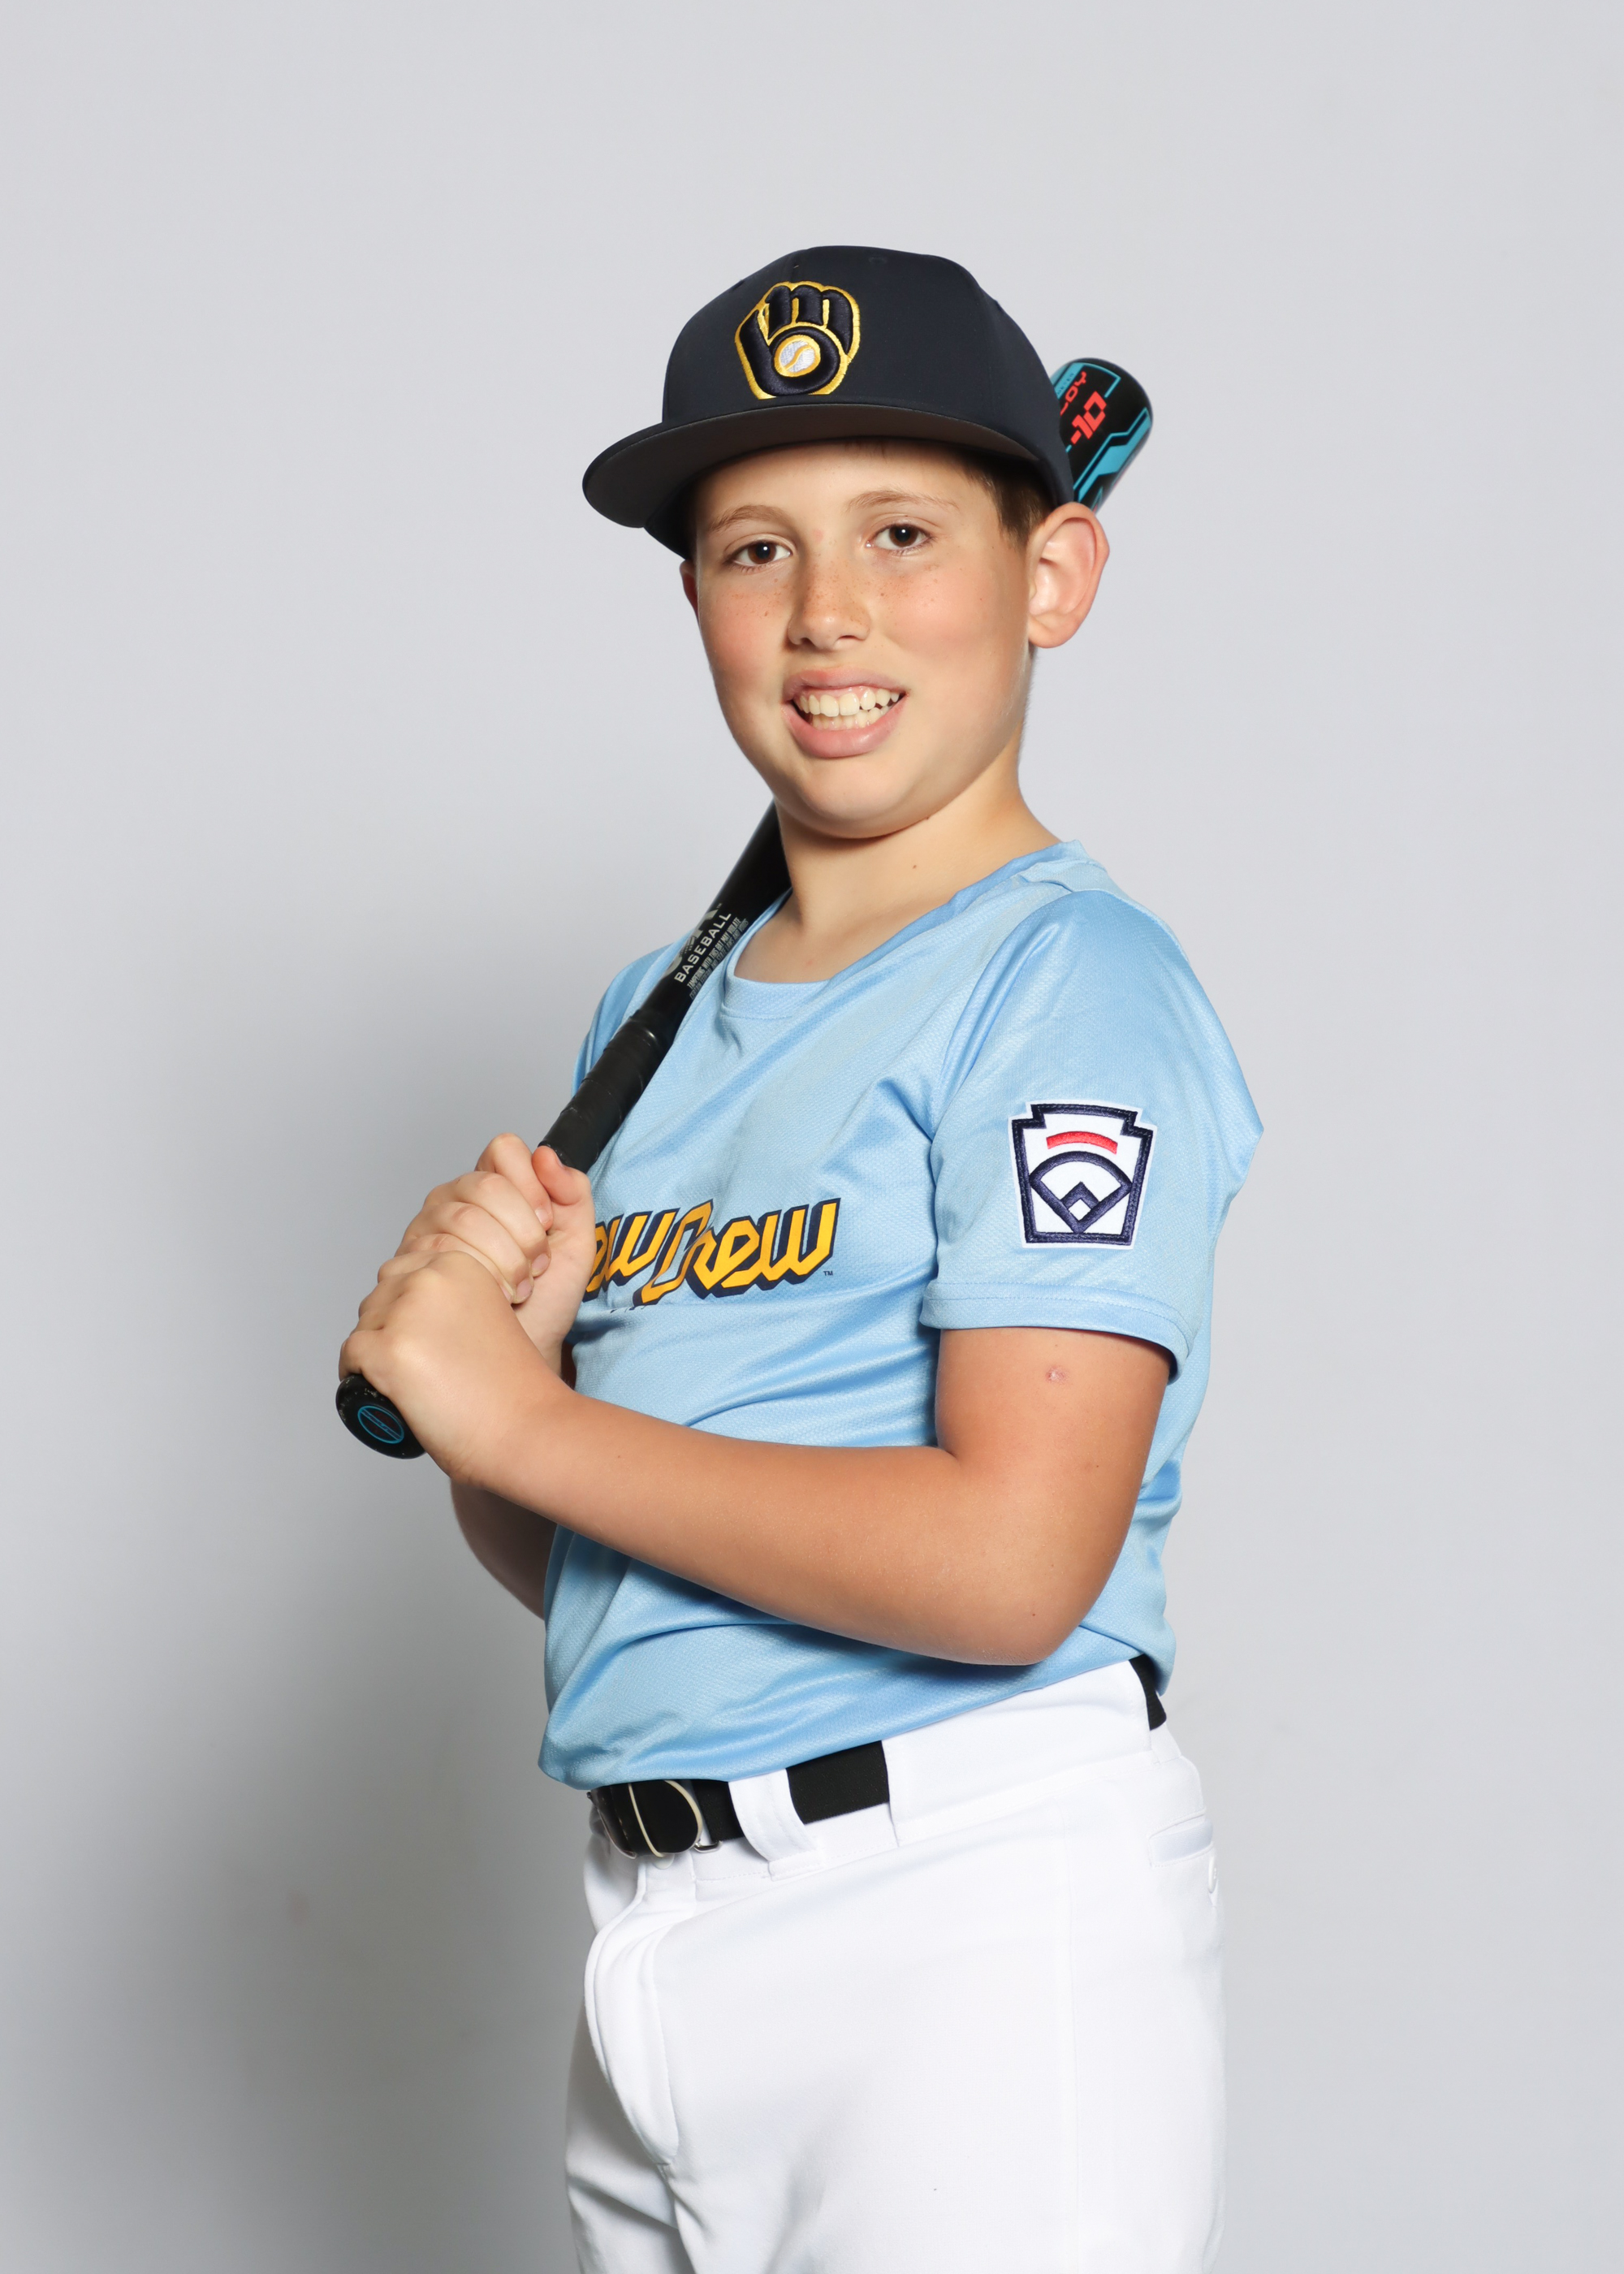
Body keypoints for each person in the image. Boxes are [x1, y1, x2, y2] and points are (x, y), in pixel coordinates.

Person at [339, 246, 1260, 2272]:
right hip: (657, 1924)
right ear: (695, 599)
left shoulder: (1068, 984)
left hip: (961, 1917)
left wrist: (524, 1419)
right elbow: (608, 1565)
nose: (826, 610)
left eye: (903, 533)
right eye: (755, 548)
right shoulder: (653, 1017)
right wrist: (495, 1408)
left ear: (1053, 574)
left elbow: (1010, 1561)